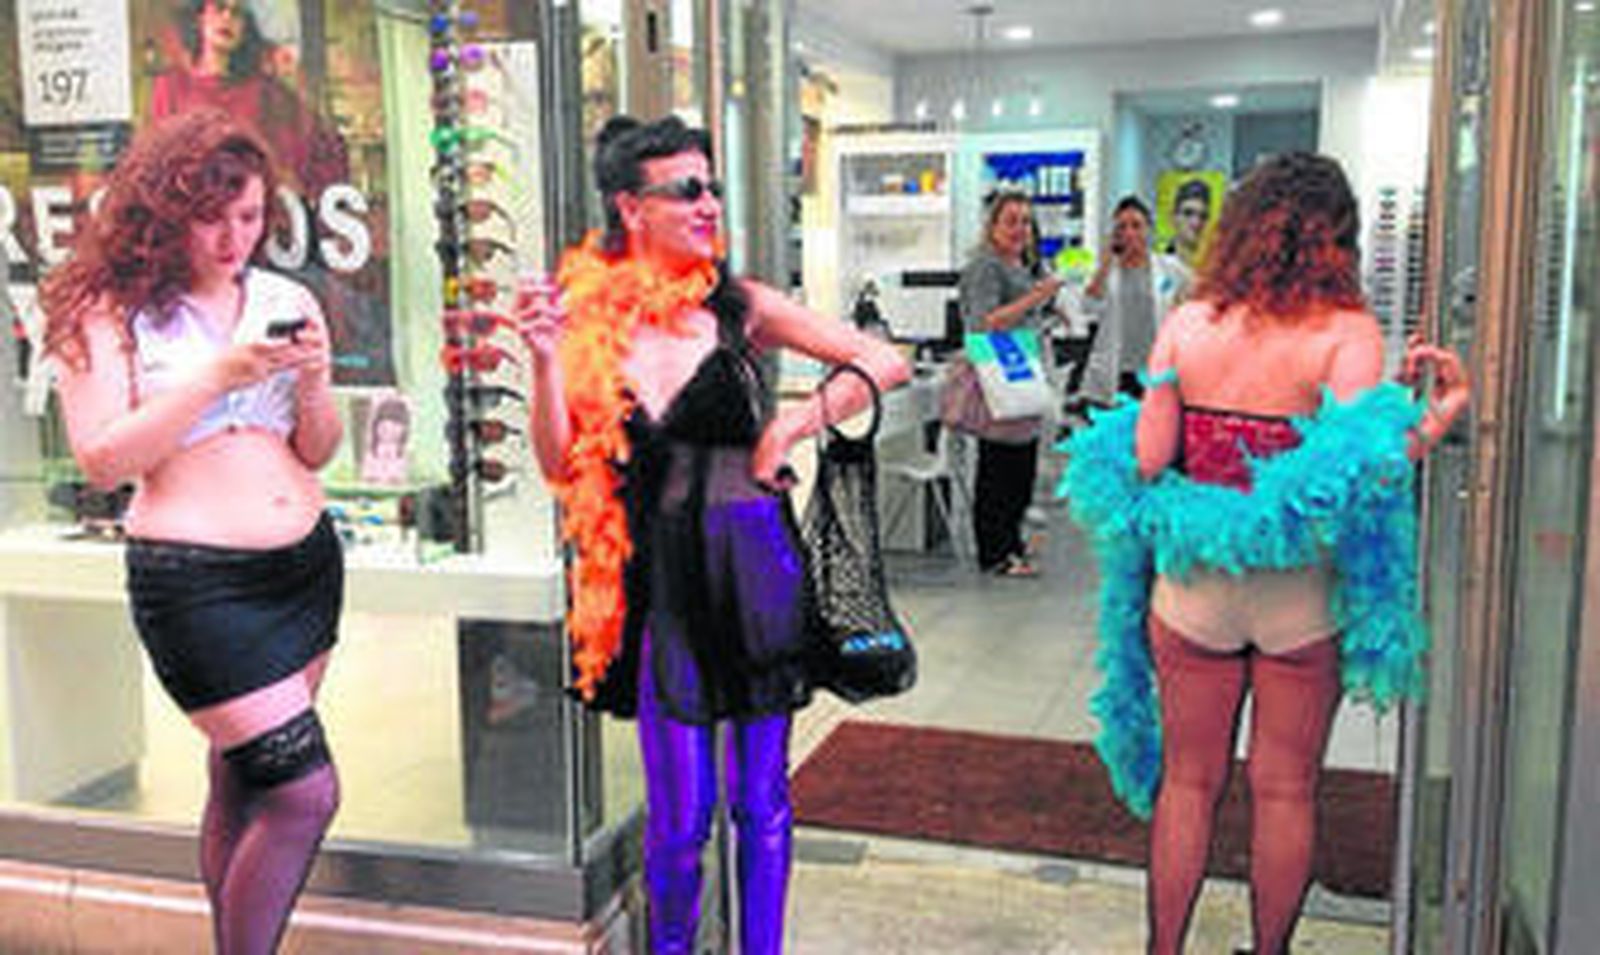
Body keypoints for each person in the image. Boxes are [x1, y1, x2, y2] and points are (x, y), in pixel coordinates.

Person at [515, 115, 909, 955]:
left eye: (713, 187)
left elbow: (884, 360)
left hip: (756, 565)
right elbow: (559, 463)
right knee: (680, 813)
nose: (709, 204)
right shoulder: (590, 322)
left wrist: (792, 424)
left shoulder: (742, 306)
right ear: (630, 206)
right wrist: (546, 362)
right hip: (657, 584)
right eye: (687, 189)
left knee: (760, 797)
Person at [1062, 153, 1470, 955]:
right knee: (1286, 791)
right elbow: (1361, 475)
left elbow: (1147, 461)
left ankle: (1163, 949)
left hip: (1194, 591)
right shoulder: (1349, 335)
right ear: (1338, 239)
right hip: (1298, 598)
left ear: (1240, 227)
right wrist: (1440, 413)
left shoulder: (1188, 322)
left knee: (1188, 783)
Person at [41, 109, 344, 955]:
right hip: (197, 583)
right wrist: (217, 376)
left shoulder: (285, 296)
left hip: (306, 570)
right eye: (213, 216)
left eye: (250, 217)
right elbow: (103, 458)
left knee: (244, 778)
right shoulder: (105, 310)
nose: (233, 237)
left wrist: (315, 384)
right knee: (303, 791)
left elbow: (314, 448)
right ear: (164, 211)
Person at [956, 190, 1061, 578]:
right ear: (993, 226)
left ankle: (1012, 546)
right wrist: (1036, 297)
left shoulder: (1021, 264)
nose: (1021, 230)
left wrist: (1049, 308)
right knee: (999, 464)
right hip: (999, 369)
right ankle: (995, 552)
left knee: (1021, 463)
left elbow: (1022, 313)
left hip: (1020, 367)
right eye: (1012, 221)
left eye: (1026, 222)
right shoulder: (985, 266)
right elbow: (986, 321)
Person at [150, 0, 348, 197]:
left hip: (253, 211)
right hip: (194, 209)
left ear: (246, 28)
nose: (227, 18)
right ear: (200, 17)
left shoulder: (265, 90)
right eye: (220, 8)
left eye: (237, 13)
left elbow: (322, 143)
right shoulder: (170, 87)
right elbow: (159, 161)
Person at [1080, 195, 1193, 401]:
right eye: (1121, 227)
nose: (1129, 233)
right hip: (1117, 372)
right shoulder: (1107, 272)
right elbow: (1088, 307)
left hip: (1157, 370)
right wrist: (1105, 263)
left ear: (1148, 229)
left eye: (1136, 226)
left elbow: (1197, 296)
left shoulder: (1169, 268)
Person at [359, 394, 409, 485]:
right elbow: (367, 477)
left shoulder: (405, 454)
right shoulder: (372, 453)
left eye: (395, 425)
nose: (389, 429)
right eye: (383, 426)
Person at [1164, 178, 1214, 268]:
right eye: (1188, 213)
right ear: (1172, 218)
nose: (1196, 223)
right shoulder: (1157, 267)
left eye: (1203, 216)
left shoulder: (1213, 269)